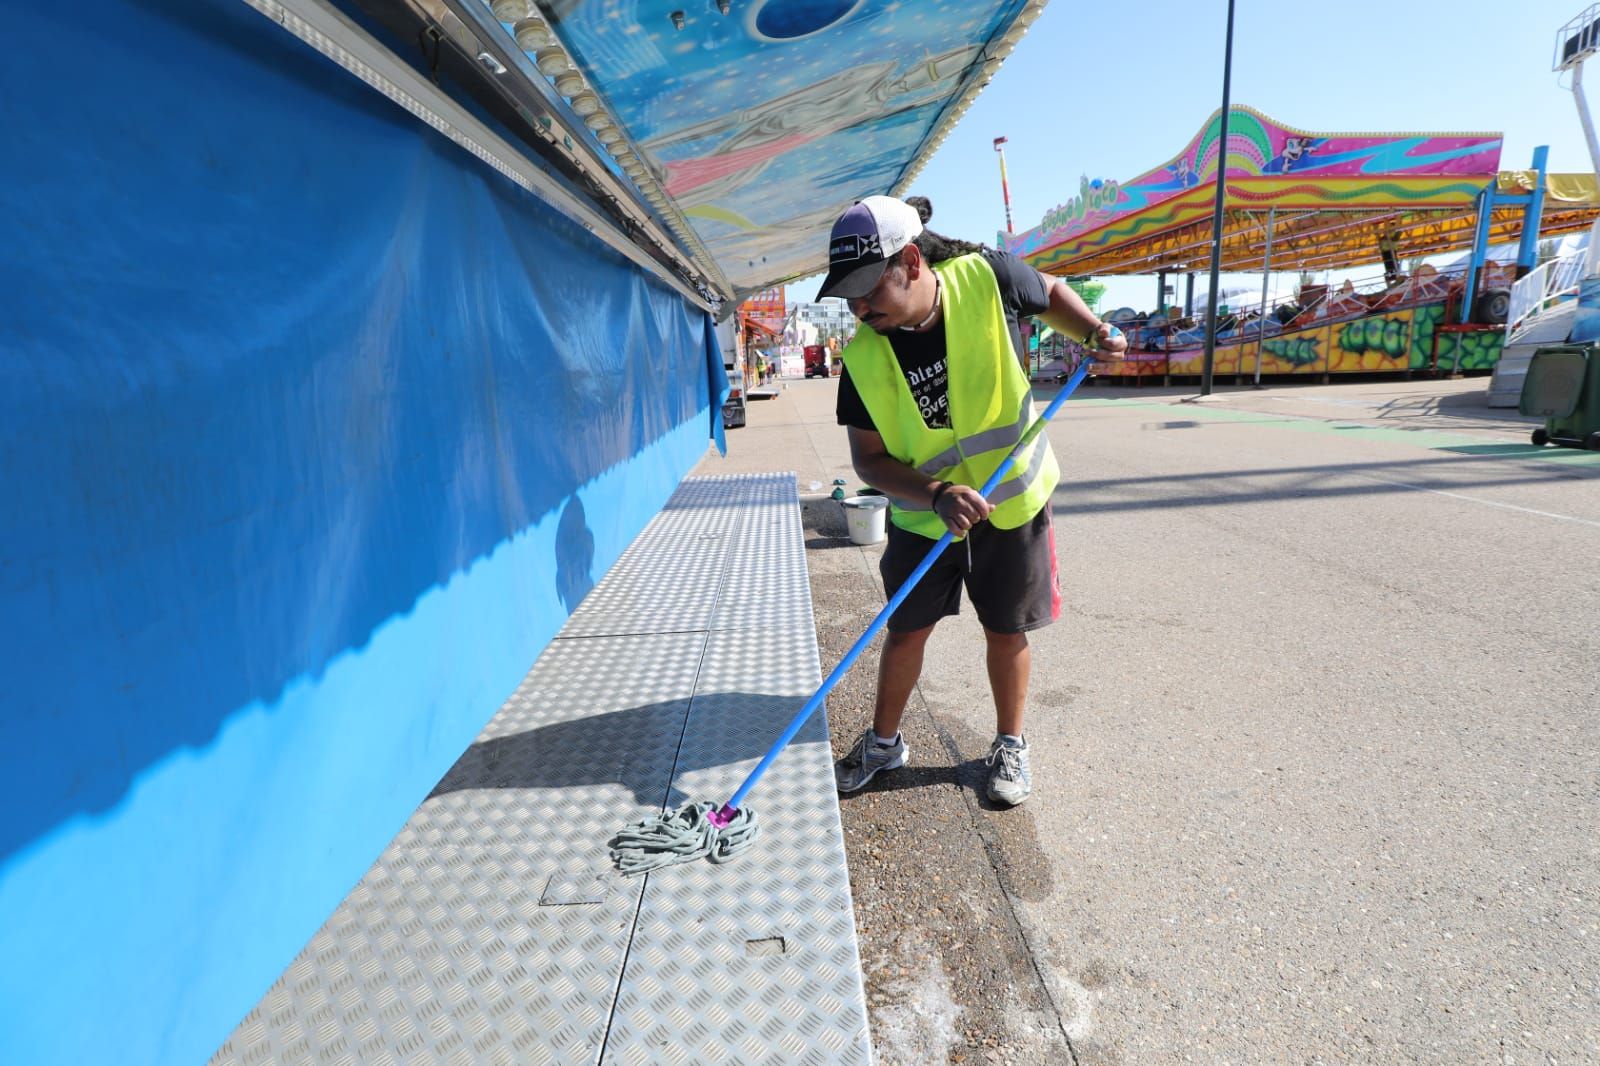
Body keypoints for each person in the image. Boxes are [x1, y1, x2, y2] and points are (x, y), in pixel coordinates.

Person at [818, 194, 1126, 805]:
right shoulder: (861, 355)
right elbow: (869, 460)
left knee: (1005, 630)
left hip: (1010, 503)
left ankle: (1010, 743)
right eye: (847, 294)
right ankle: (884, 743)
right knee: (906, 631)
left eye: (867, 288)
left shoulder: (988, 276)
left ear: (910, 261)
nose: (858, 307)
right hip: (921, 515)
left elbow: (1051, 291)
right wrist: (934, 494)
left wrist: (1094, 332)